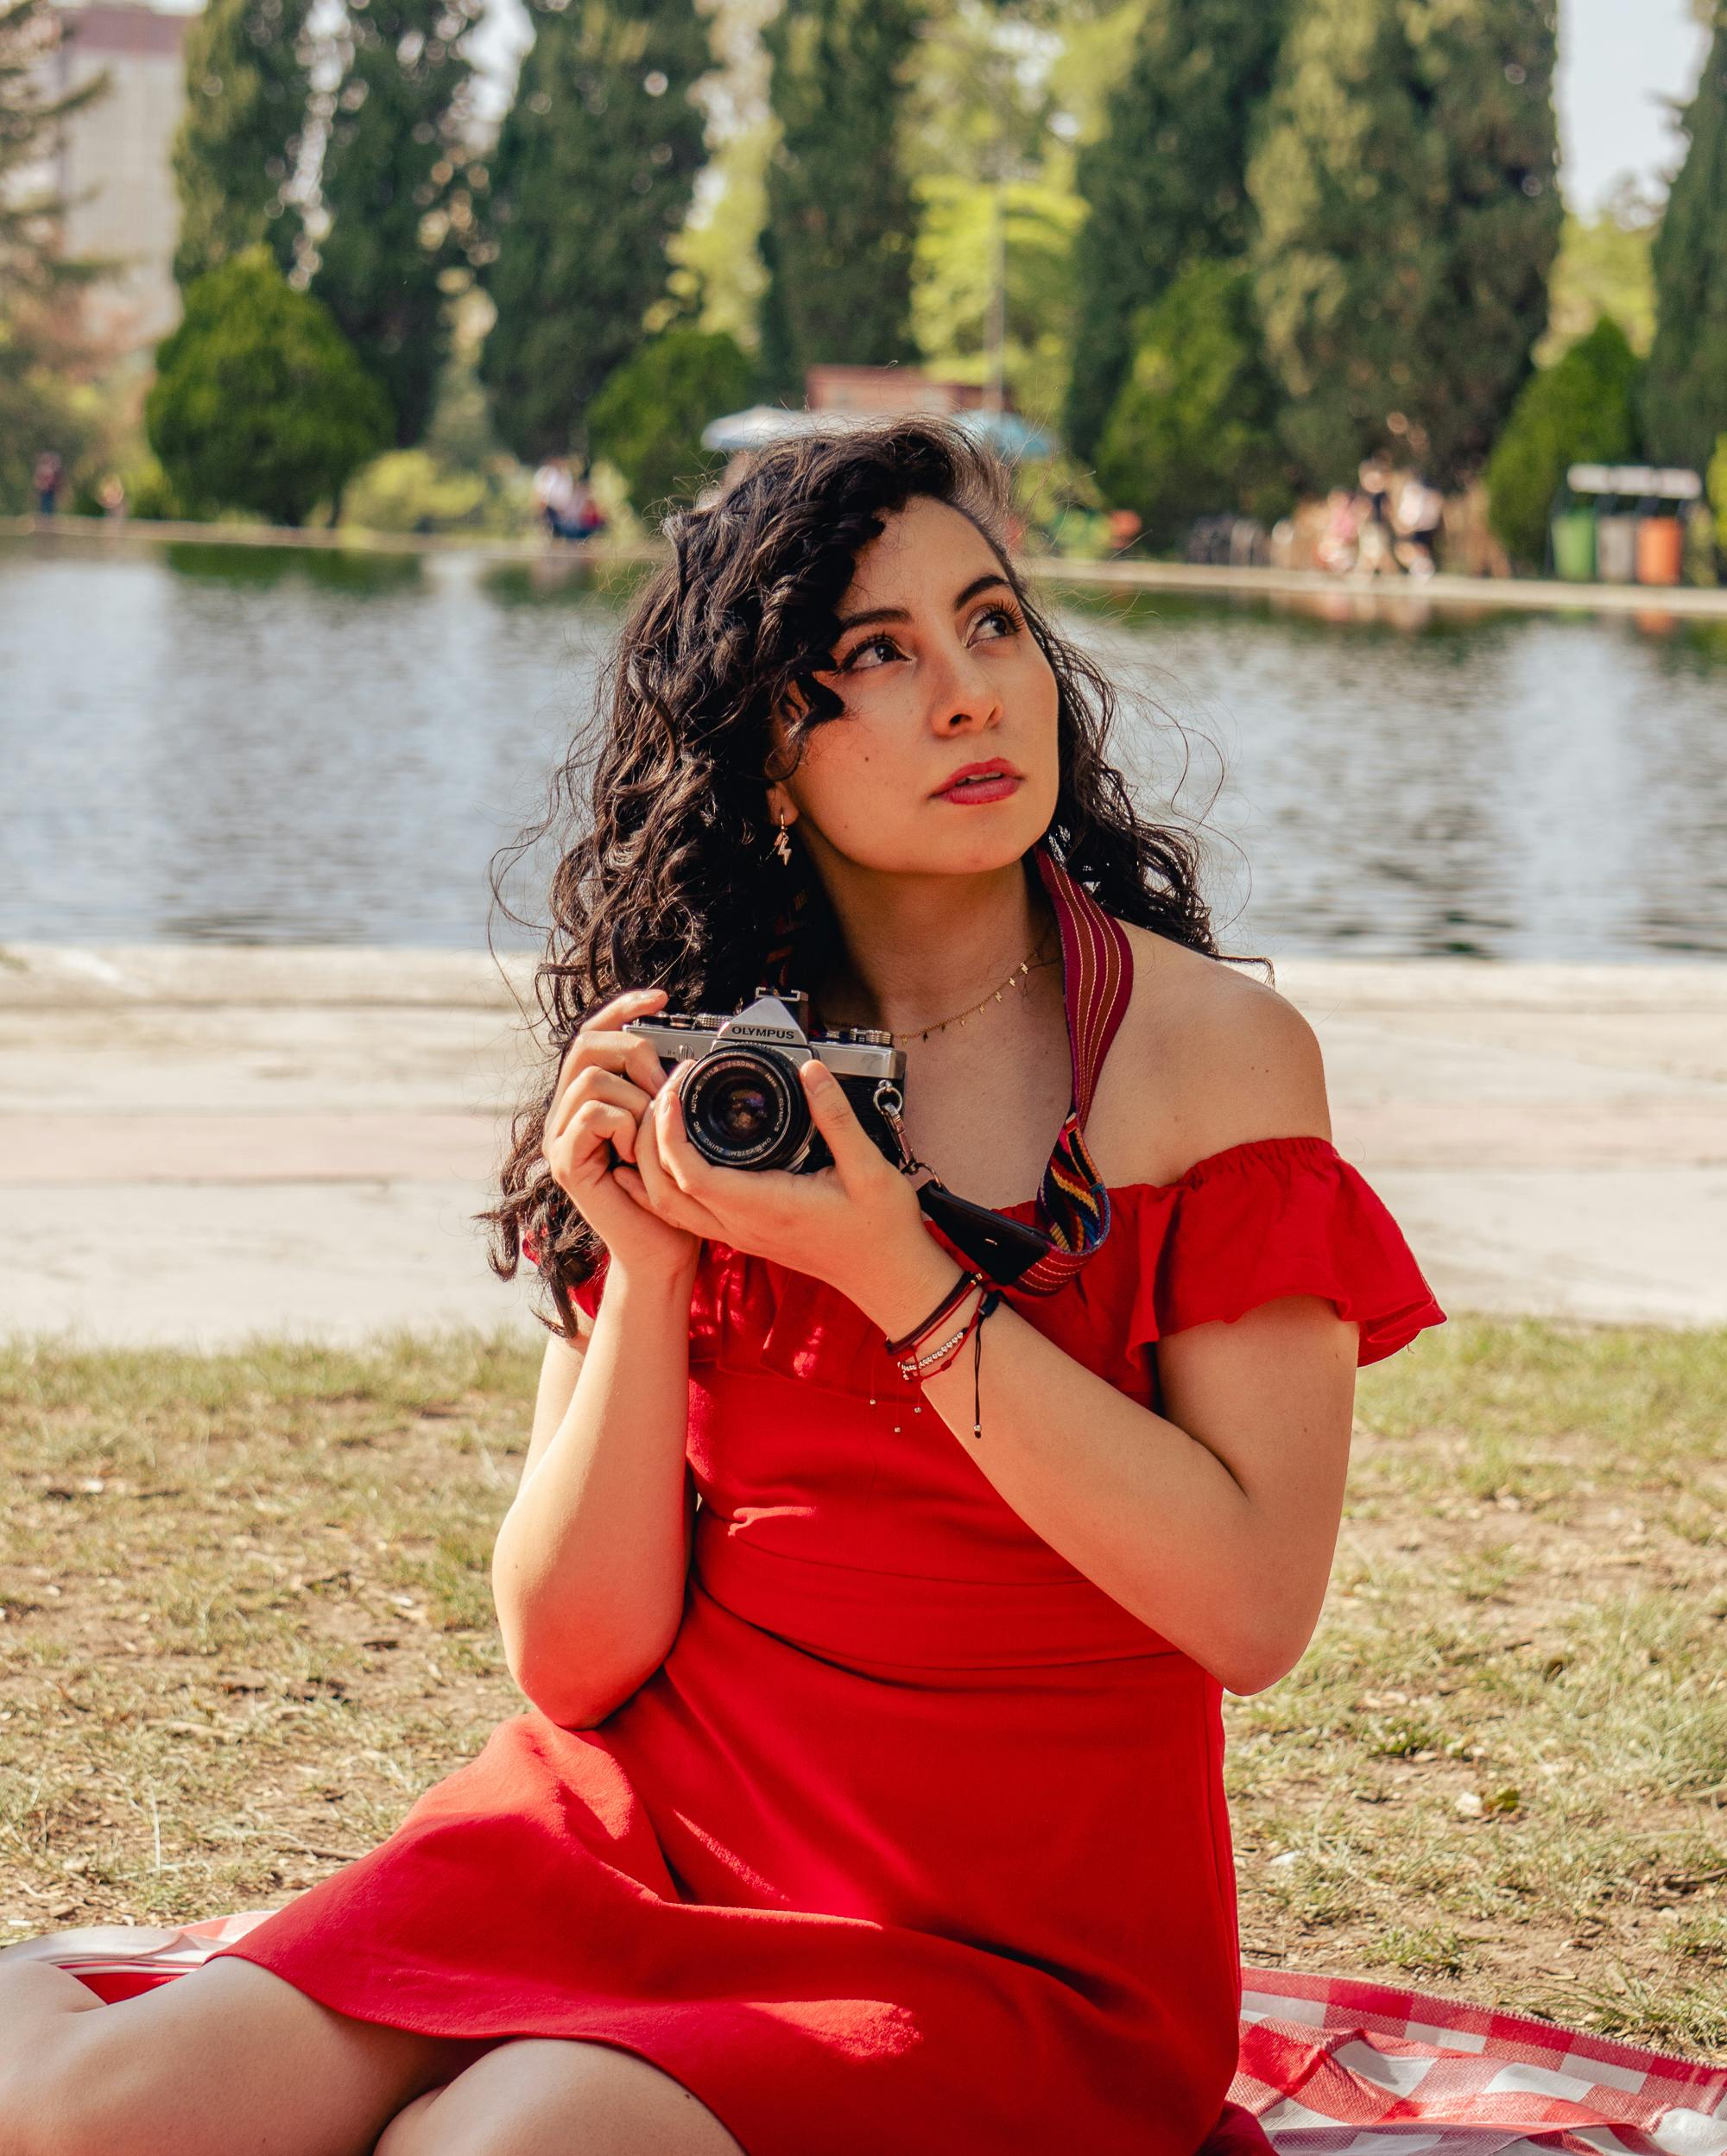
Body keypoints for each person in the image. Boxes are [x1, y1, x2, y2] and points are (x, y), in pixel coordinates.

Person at [0, 415, 1446, 2155]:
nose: (972, 694)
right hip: (642, 1827)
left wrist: (890, 1272)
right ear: (768, 751)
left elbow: (1251, 1606)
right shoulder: (724, 1072)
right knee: (83, 2119)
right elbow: (572, 1657)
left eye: (992, 626)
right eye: (876, 658)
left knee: (503, 2148)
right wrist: (651, 1262)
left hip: (1008, 1937)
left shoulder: (1211, 1060)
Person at [32, 448, 62, 517]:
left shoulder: (54, 470)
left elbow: (56, 481)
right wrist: (40, 486)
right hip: (43, 491)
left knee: (49, 507)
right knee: (43, 506)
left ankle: (48, 520)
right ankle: (43, 520)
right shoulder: (42, 469)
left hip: (50, 491)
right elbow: (37, 480)